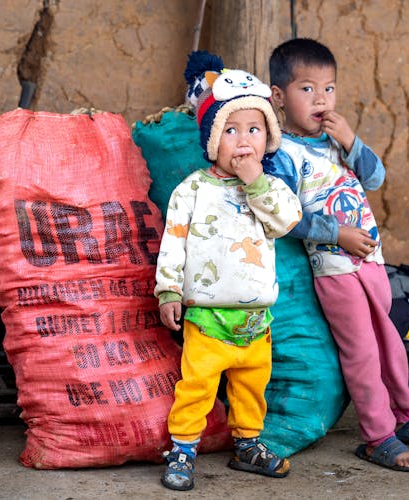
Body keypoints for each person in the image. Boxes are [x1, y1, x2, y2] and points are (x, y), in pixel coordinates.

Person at [264, 38, 409, 472]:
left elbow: (377, 178)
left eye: (329, 89)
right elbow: (288, 218)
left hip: (372, 262)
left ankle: (405, 415)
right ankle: (377, 437)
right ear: (278, 97)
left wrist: (351, 139)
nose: (321, 99)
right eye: (307, 89)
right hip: (335, 268)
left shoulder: (336, 140)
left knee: (389, 342)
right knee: (362, 351)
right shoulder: (283, 156)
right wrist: (338, 235)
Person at [154, 50, 302, 491]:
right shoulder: (193, 189)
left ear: (268, 139)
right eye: (231, 130)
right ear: (211, 137)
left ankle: (247, 445)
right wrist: (168, 292)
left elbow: (286, 221)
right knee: (196, 385)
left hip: (257, 318)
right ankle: (182, 450)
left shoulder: (270, 187)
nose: (243, 141)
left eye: (254, 130)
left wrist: (257, 181)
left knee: (251, 386)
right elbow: (173, 241)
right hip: (207, 316)